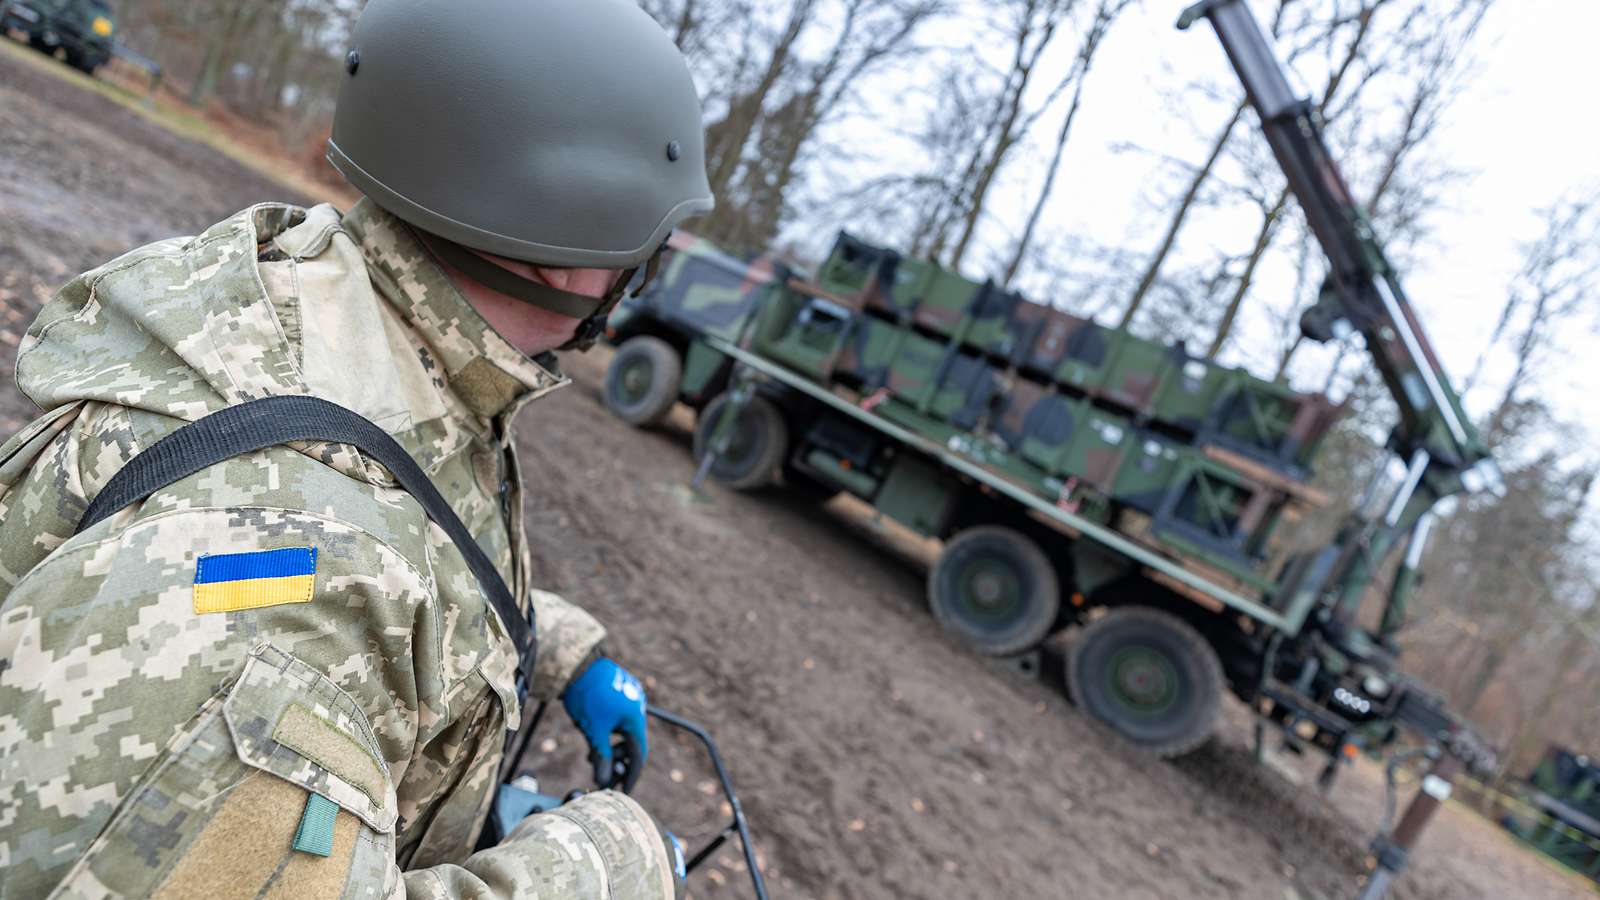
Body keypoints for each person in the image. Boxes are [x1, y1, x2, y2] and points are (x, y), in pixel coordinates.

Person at [0, 0, 713, 896]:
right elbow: (280, 580)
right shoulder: (288, 591)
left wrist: (553, 642)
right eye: (642, 240)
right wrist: (601, 869)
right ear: (561, 242)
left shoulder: (357, 319)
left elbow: (379, 531)